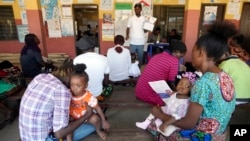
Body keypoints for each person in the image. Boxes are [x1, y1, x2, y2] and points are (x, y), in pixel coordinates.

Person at [149, 21, 236, 140]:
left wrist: (159, 115)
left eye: (193, 50)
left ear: (201, 53)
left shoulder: (202, 83)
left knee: (156, 126)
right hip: (221, 133)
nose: (191, 54)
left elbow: (188, 124)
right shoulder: (225, 76)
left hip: (203, 136)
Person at [19, 58, 96, 141]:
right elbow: (59, 133)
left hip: (26, 136)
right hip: (44, 138)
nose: (73, 87)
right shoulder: (61, 90)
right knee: (93, 125)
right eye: (73, 82)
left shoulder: (40, 77)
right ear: (69, 72)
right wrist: (86, 115)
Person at [136, 71, 199, 137]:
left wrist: (166, 124)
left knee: (168, 131)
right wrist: (169, 92)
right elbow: (173, 94)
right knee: (156, 108)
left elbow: (176, 117)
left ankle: (159, 124)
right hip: (168, 111)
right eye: (181, 83)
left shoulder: (184, 102)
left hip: (173, 120)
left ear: (191, 90)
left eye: (187, 86)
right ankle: (146, 123)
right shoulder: (176, 94)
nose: (182, 87)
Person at [135, 41, 187, 106]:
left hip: (139, 91)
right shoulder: (174, 61)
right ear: (176, 52)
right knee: (177, 102)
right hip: (148, 96)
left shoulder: (156, 56)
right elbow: (171, 81)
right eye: (181, 55)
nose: (181, 57)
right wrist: (177, 92)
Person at [66, 64, 110, 141]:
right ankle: (69, 139)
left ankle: (98, 130)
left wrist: (104, 120)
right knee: (67, 122)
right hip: (73, 118)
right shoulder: (68, 93)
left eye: (78, 86)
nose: (74, 88)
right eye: (72, 85)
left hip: (86, 118)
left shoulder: (88, 96)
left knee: (95, 119)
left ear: (85, 86)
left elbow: (98, 108)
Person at [218, 35, 250, 105]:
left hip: (236, 100)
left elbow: (217, 82)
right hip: (248, 99)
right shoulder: (243, 63)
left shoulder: (225, 64)